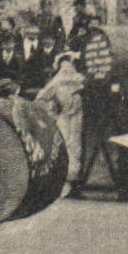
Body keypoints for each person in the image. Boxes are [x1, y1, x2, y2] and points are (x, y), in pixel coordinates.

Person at [36, 52, 86, 185]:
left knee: (71, 143)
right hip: (66, 115)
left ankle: (71, 177)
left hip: (73, 115)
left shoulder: (74, 80)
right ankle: (68, 176)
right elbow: (43, 97)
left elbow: (42, 96)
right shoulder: (73, 80)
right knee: (68, 143)